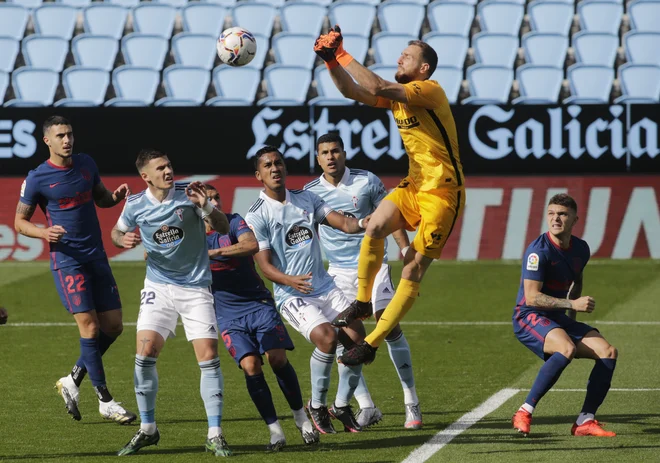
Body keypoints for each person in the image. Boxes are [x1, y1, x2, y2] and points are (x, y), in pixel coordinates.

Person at [313, 28, 466, 365]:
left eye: (407, 56)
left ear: (423, 69)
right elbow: (354, 91)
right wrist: (329, 63)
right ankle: (364, 301)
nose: (399, 59)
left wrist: (340, 53)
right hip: (415, 184)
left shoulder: (428, 91)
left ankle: (371, 343)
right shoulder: (400, 98)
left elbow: (376, 86)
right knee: (375, 226)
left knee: (412, 270)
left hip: (443, 193)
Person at [14, 115, 135, 424]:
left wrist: (115, 198)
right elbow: (19, 222)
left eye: (69, 134)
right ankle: (105, 400)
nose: (67, 140)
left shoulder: (86, 164)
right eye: (60, 136)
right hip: (67, 260)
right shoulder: (38, 178)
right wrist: (43, 232)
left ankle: (71, 380)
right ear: (47, 141)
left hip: (96, 256)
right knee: (90, 327)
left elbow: (101, 199)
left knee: (114, 325)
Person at [111, 150, 232, 456]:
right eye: (160, 168)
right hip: (159, 287)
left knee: (207, 355)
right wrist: (121, 240)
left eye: (168, 166)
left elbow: (223, 227)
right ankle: (148, 429)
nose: (168, 171)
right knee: (145, 352)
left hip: (195, 288)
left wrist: (206, 206)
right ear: (145, 177)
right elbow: (116, 231)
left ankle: (215, 433)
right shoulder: (136, 204)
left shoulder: (191, 194)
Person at [245, 146, 368, 435]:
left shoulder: (307, 199)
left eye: (278, 163)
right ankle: (316, 405)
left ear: (285, 168)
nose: (274, 169)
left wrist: (366, 222)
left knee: (358, 340)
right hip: (292, 295)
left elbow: (345, 223)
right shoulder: (257, 215)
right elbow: (264, 266)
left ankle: (339, 405)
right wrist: (290, 281)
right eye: (267, 166)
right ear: (258, 175)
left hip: (325, 286)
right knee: (326, 338)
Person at [304, 132, 422, 430]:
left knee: (388, 323)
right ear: (317, 158)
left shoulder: (366, 181)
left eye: (335, 151)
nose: (330, 157)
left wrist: (405, 248)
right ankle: (366, 406)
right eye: (324, 153)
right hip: (338, 274)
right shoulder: (309, 193)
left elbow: (390, 216)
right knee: (346, 339)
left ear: (344, 153)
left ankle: (411, 402)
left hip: (374, 265)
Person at [203, 185, 319, 450]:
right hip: (227, 314)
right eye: (207, 199)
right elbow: (155, 255)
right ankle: (275, 431)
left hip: (258, 303)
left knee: (277, 358)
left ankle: (301, 418)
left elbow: (251, 245)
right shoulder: (194, 235)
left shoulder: (234, 222)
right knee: (251, 366)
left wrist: (214, 253)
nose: (213, 202)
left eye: (216, 196)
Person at [511, 194, 618, 437]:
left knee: (608, 352)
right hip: (529, 316)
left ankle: (585, 420)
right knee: (566, 348)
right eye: (551, 213)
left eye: (562, 214)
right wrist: (573, 303)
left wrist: (572, 318)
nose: (556, 218)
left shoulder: (581, 248)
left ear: (574, 219)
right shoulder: (538, 251)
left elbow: (576, 281)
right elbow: (531, 297)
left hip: (558, 318)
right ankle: (524, 411)